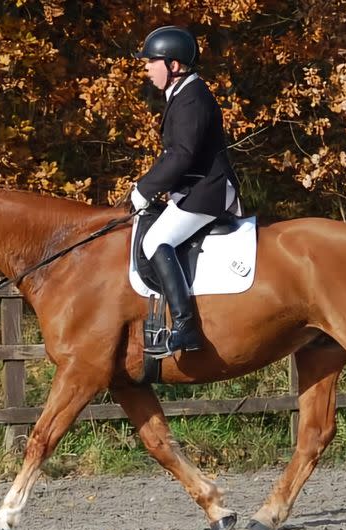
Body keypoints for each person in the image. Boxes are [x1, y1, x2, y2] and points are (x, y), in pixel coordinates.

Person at [131, 25, 242, 354]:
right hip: (194, 189)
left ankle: (184, 327)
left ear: (174, 65)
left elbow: (182, 154)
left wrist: (145, 189)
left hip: (207, 192)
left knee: (155, 240)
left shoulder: (192, 98)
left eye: (153, 61)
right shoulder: (183, 94)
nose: (147, 68)